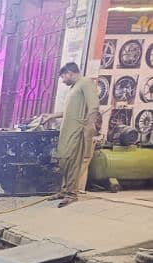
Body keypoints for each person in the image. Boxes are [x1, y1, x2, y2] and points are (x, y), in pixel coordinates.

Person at [42, 63, 100, 208]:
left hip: (77, 130)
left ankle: (71, 194)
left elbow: (94, 106)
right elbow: (69, 111)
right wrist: (52, 115)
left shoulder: (86, 83)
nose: (63, 81)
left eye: (63, 77)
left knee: (73, 161)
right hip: (68, 130)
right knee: (64, 160)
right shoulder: (75, 87)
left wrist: (88, 127)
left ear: (69, 72)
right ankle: (64, 190)